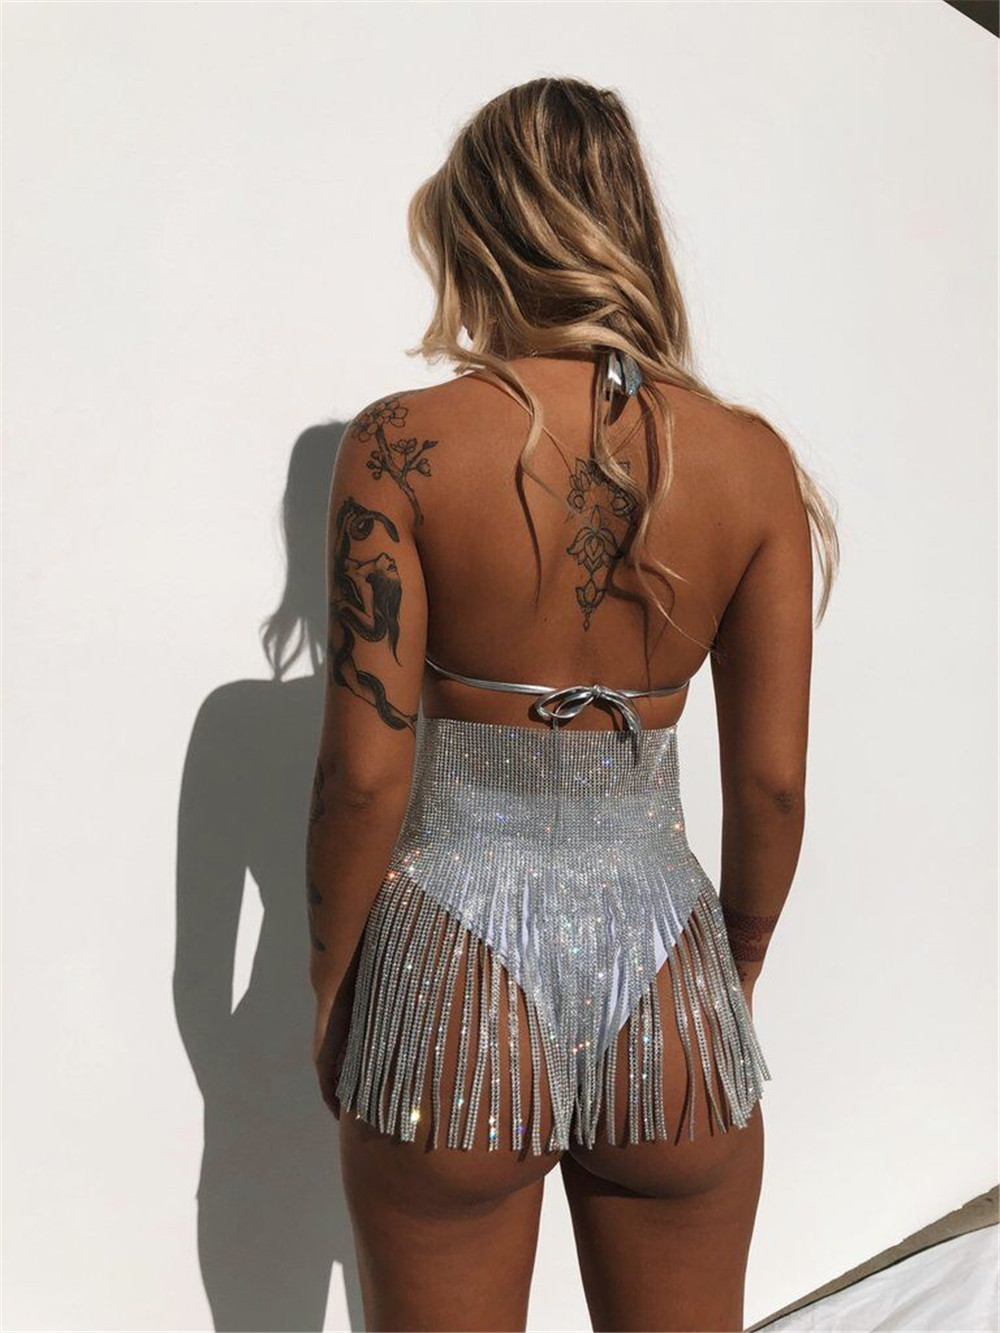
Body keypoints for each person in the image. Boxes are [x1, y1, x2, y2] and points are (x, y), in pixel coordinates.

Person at [306, 76, 837, 1333]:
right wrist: (733, 970)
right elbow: (771, 787)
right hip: (670, 976)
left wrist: (332, 990)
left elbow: (364, 777)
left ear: (479, 228)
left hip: (450, 977)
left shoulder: (398, 444)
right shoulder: (748, 459)